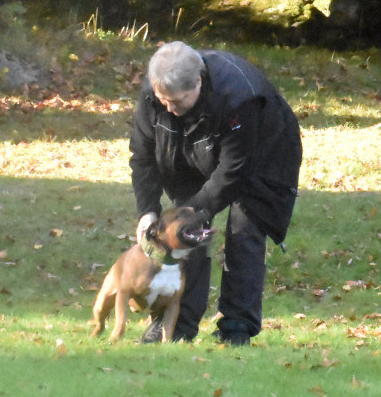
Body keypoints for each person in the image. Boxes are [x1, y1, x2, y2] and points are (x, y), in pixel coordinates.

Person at [130, 42, 303, 345]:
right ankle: (174, 325)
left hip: (262, 156)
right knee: (183, 234)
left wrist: (190, 213)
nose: (169, 108)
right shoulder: (154, 93)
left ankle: (237, 328)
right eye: (163, 100)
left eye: (178, 102)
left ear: (198, 82)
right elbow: (143, 156)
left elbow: (232, 170)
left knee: (245, 230)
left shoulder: (239, 98)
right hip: (192, 150)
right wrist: (147, 211)